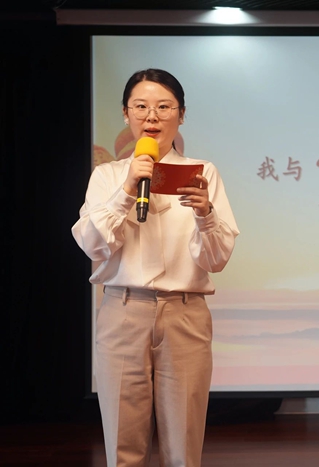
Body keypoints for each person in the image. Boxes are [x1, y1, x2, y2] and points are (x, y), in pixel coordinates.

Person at [72, 68, 239, 467]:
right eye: (141, 106)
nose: (152, 116)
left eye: (164, 107)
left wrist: (206, 215)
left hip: (185, 314)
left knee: (183, 447)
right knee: (123, 445)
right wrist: (128, 189)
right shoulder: (107, 176)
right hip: (123, 310)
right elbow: (92, 244)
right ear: (126, 114)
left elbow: (216, 259)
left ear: (181, 114)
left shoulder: (203, 173)